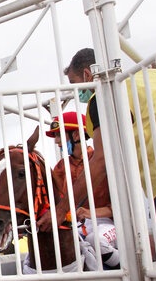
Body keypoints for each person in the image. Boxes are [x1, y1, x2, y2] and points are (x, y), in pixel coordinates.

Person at [38, 48, 156, 247]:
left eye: (74, 83)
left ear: (87, 74)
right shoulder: (152, 76)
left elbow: (102, 162)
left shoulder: (104, 97)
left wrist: (61, 212)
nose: (76, 91)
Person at [46, 111, 119, 268]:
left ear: (77, 135)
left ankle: (127, 271)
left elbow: (119, 208)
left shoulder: (102, 162)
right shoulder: (60, 167)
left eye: (59, 135)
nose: (56, 141)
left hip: (106, 224)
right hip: (77, 226)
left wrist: (88, 213)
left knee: (96, 240)